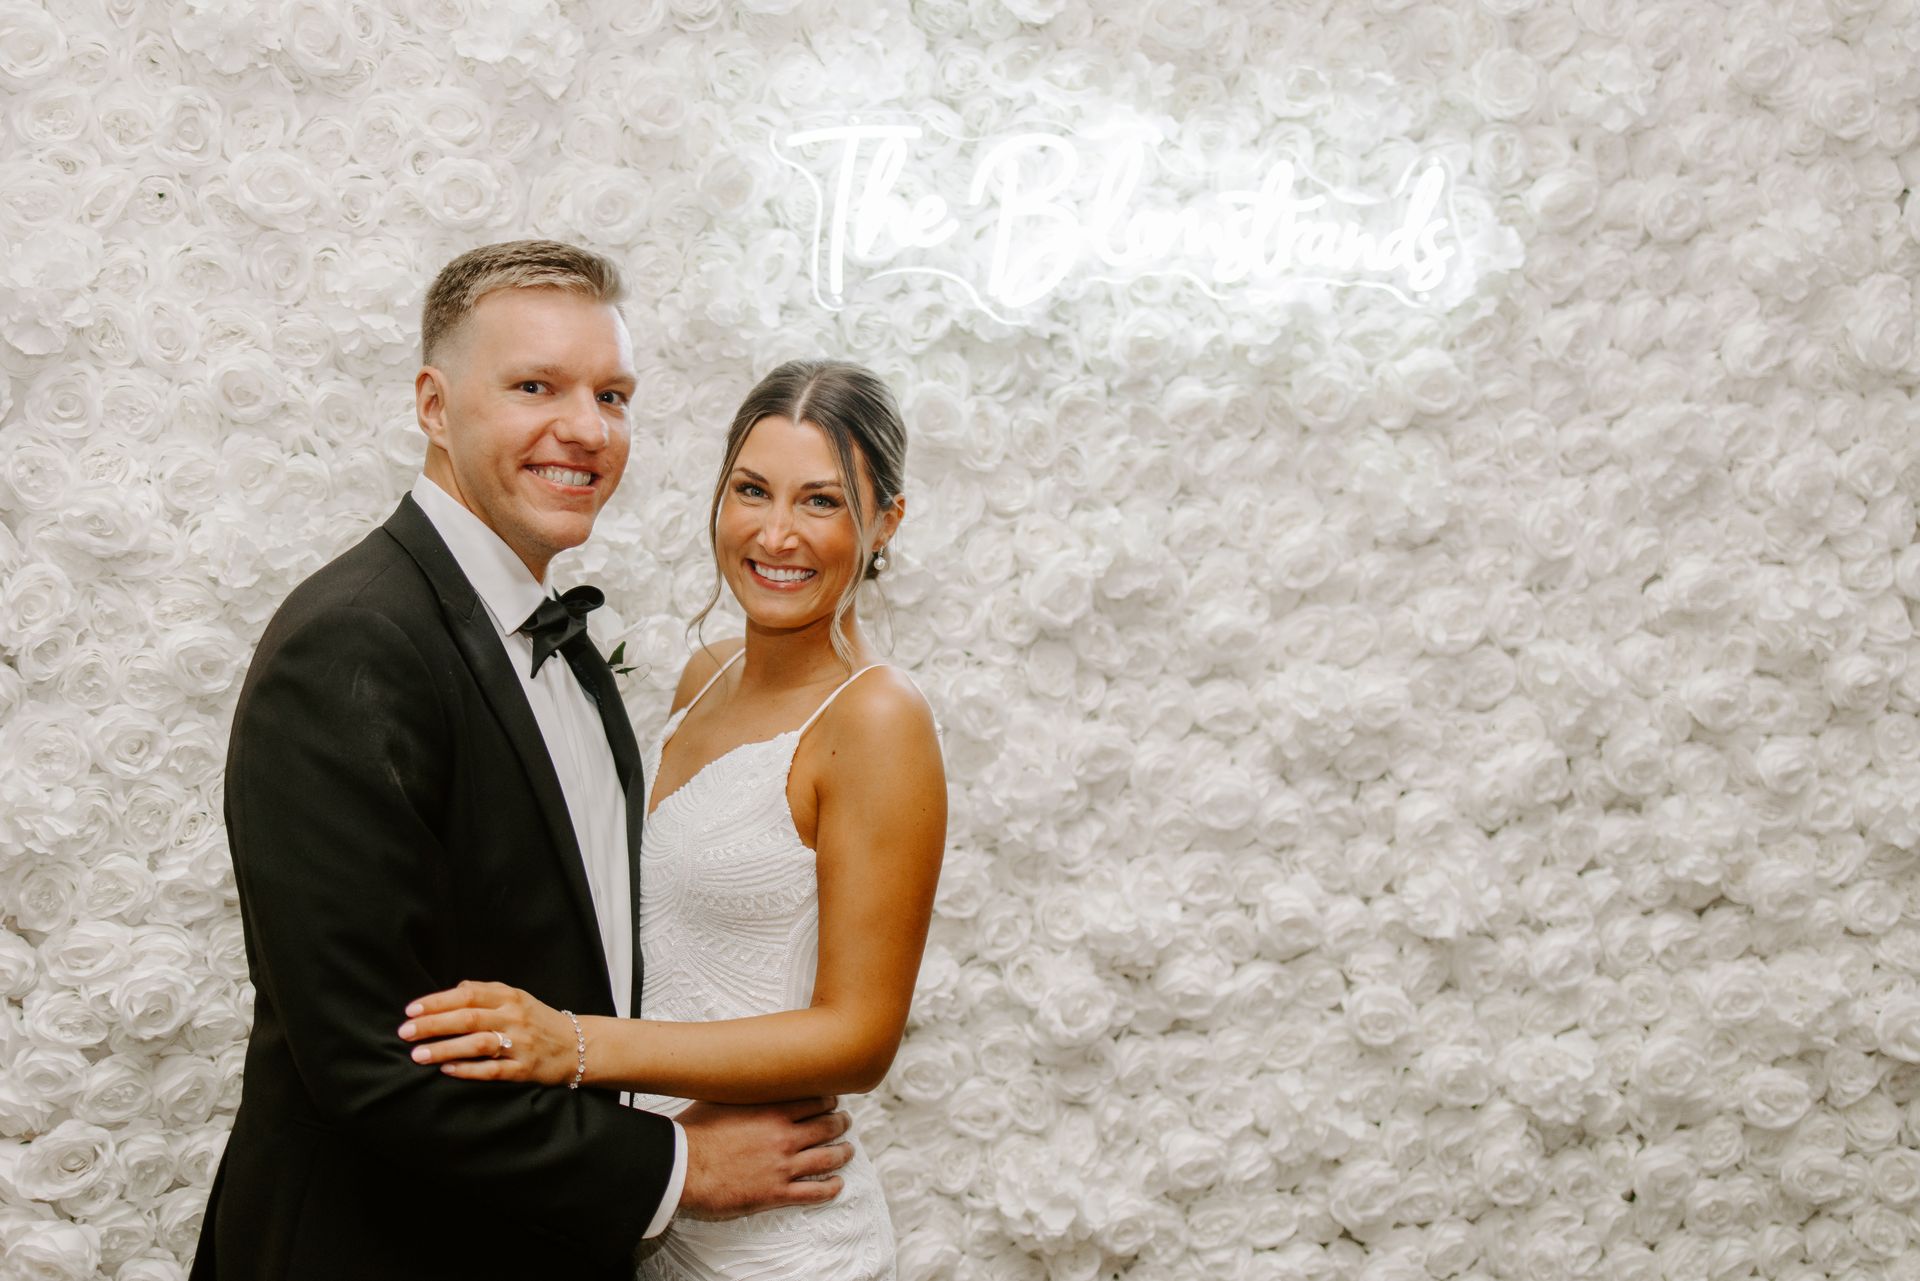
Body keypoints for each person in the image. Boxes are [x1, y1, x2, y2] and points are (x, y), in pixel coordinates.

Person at [193, 243, 858, 1281]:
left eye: (612, 395)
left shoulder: (563, 642)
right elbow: (369, 1063)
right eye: (536, 387)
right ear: (433, 404)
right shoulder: (354, 644)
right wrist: (675, 1166)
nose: (587, 429)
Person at [396, 359, 948, 1280]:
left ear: (885, 521)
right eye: (752, 490)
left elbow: (859, 1037)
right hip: (657, 1200)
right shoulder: (705, 676)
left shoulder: (877, 715)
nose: (776, 533)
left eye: (821, 501)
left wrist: (575, 1045)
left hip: (780, 1237)